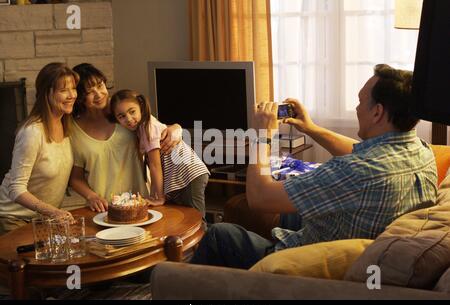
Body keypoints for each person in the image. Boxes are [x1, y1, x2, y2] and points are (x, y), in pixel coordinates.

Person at [190, 64, 438, 269]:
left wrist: (261, 136)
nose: (356, 108)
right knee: (287, 210)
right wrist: (310, 128)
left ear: (378, 113)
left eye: (361, 101)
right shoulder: (422, 151)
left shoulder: (356, 171)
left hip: (310, 264)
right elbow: (363, 152)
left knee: (218, 235)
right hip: (361, 245)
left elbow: (258, 196)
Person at [68, 64, 183, 212]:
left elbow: (155, 130)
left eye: (100, 85)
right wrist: (91, 197)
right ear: (79, 97)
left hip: (141, 202)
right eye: (89, 91)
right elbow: (75, 178)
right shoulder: (73, 130)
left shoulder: (123, 110)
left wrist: (176, 128)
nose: (98, 94)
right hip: (104, 210)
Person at [0, 63, 78, 235]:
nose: (72, 95)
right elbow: (16, 189)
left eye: (73, 88)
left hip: (44, 219)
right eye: (64, 90)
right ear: (46, 93)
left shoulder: (66, 126)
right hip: (13, 219)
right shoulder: (32, 132)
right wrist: (53, 211)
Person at [110, 89, 210, 215]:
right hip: (180, 177)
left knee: (196, 218)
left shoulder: (148, 128)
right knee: (182, 217)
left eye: (132, 112)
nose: (129, 119)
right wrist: (153, 196)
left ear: (141, 107)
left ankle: (209, 234)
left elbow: (155, 166)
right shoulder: (143, 127)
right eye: (122, 116)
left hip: (189, 174)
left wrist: (160, 197)